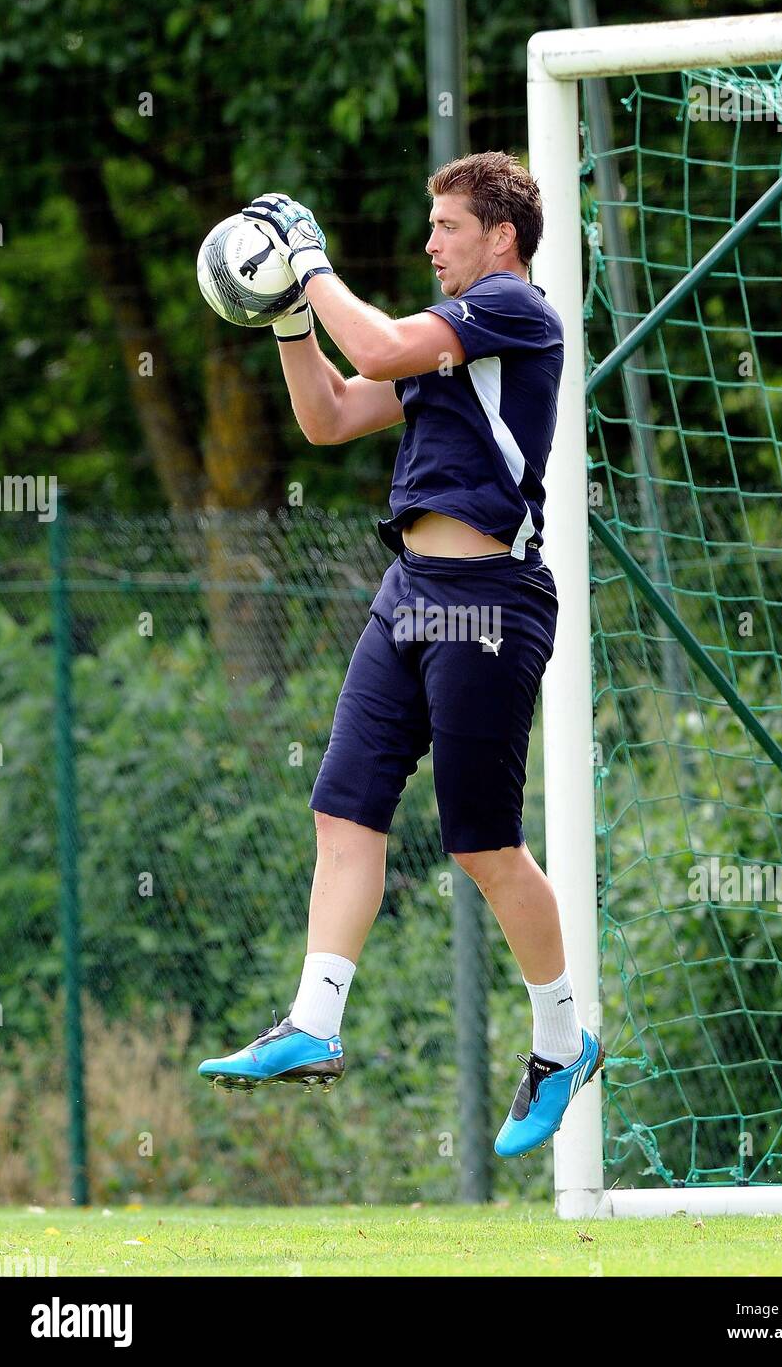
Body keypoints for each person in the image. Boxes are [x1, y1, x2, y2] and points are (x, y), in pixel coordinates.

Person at [198, 152, 603, 1157]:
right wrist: (292, 319)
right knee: (341, 806)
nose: (430, 244)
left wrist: (308, 260)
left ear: (498, 238)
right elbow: (330, 414)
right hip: (408, 595)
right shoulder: (438, 344)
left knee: (481, 845)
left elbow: (375, 349)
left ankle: (562, 1044)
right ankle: (313, 1024)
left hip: (488, 602)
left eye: (447, 227)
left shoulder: (516, 309)